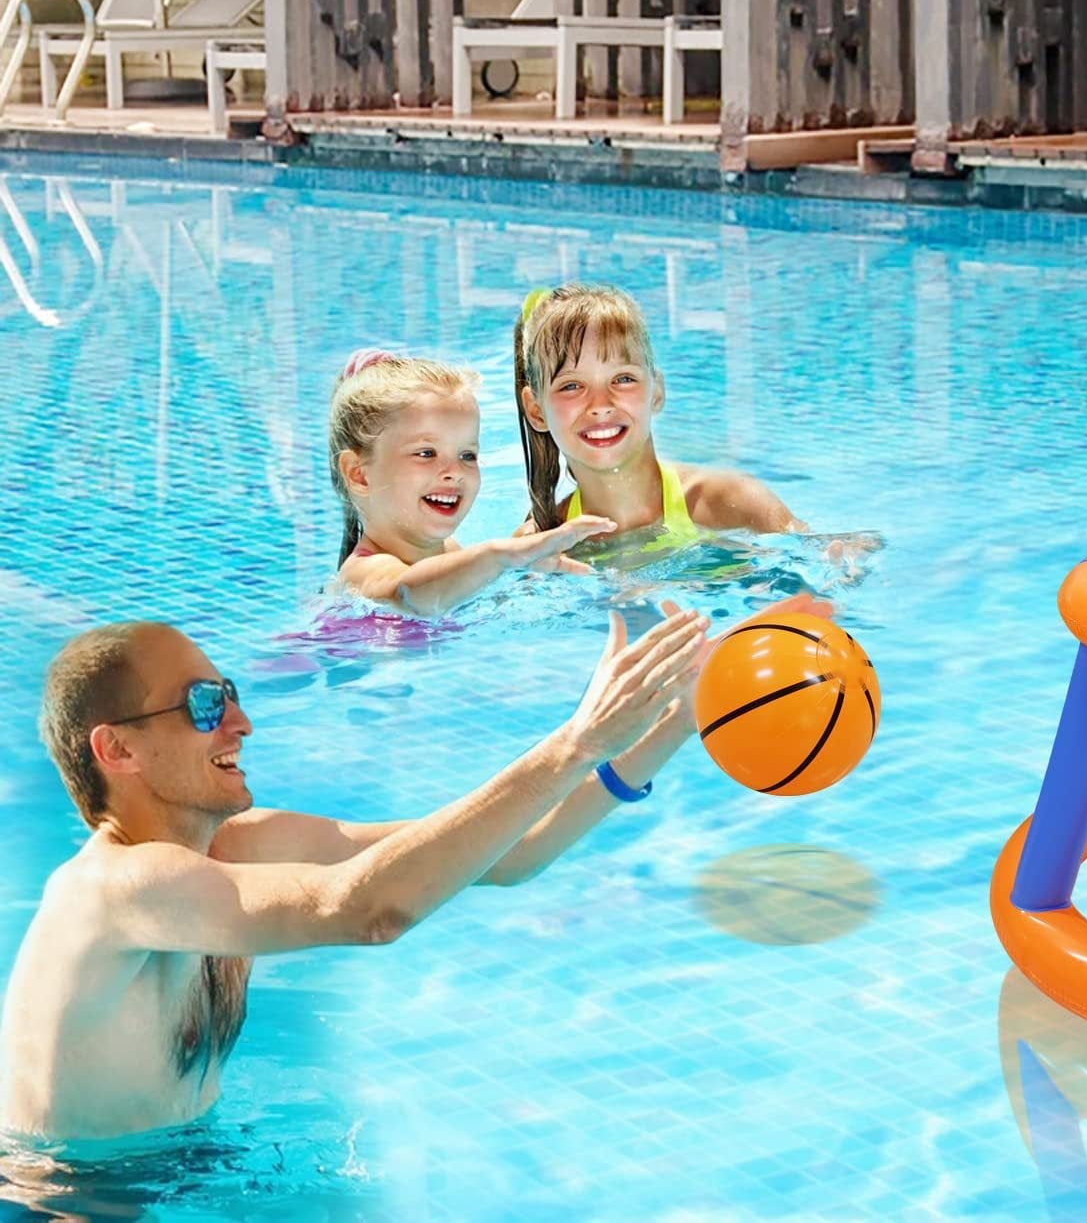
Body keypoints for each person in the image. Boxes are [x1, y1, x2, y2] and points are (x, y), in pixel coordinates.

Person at [0, 606, 709, 1141]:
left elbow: (511, 853)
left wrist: (675, 723)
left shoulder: (242, 848)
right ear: (117, 749)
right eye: (205, 705)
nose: (241, 723)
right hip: (68, 1201)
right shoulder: (114, 889)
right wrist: (574, 741)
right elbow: (371, 909)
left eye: (232, 693)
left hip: (188, 1167)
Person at [512, 284, 804, 546]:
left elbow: (820, 570)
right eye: (572, 386)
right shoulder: (541, 543)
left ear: (656, 392)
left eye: (623, 379)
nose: (600, 404)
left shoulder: (731, 503)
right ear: (536, 410)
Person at [330, 348, 613, 614]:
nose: (455, 471)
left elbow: (471, 598)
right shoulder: (362, 571)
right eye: (426, 453)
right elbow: (408, 592)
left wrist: (520, 570)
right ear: (359, 474)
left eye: (468, 455)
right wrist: (500, 556)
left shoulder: (449, 550)